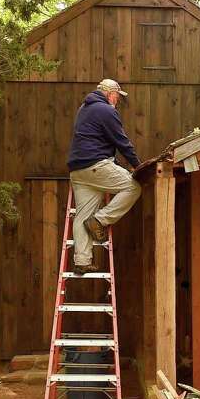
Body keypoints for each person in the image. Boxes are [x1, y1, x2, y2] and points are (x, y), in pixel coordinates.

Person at [66, 79, 142, 273]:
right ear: (109, 93)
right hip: (96, 165)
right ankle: (100, 220)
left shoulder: (83, 109)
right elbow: (121, 141)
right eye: (117, 96)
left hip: (78, 171)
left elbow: (97, 140)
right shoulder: (106, 110)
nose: (118, 100)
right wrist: (137, 166)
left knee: (82, 215)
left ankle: (82, 261)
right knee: (133, 187)